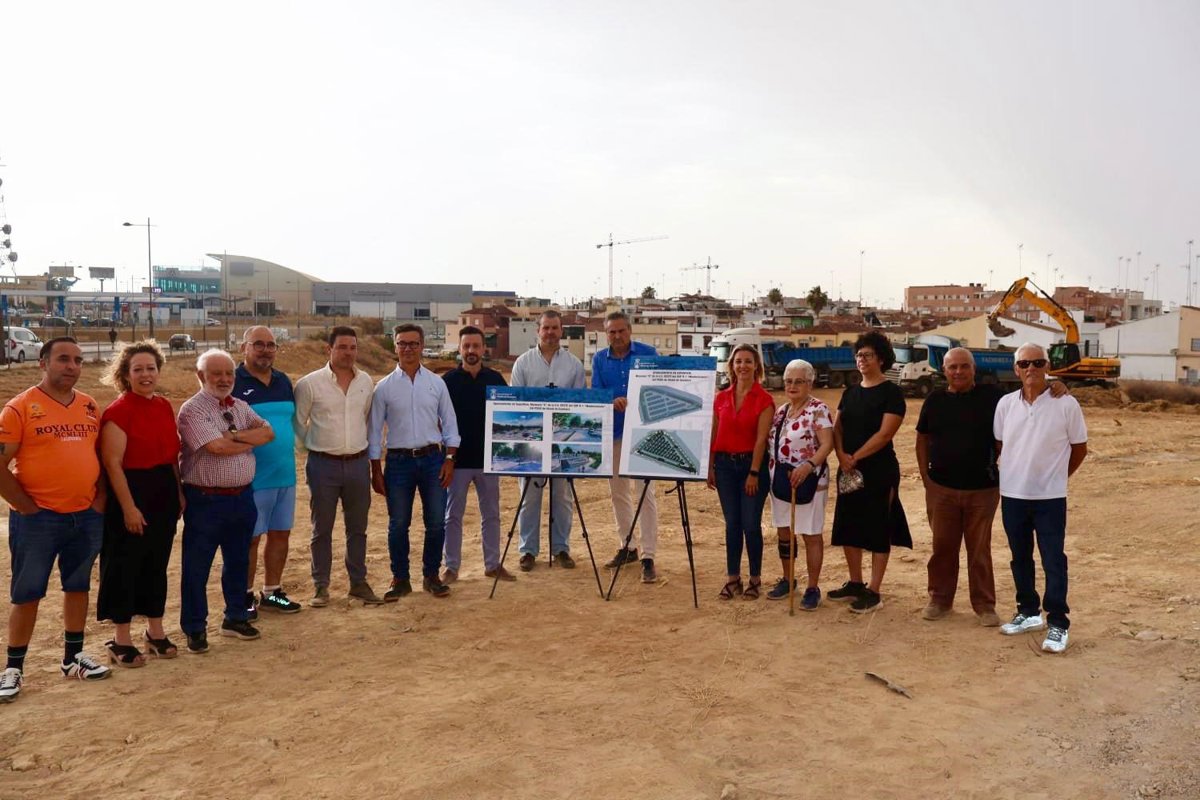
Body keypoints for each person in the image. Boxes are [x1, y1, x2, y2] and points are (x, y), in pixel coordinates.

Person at [915, 348, 1069, 627]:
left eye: (964, 366)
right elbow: (921, 439)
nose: (958, 372)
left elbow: (1028, 390)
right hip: (941, 489)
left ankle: (985, 605)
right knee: (942, 548)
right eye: (952, 367)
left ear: (974, 369)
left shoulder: (994, 398)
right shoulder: (934, 400)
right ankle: (939, 600)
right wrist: (926, 479)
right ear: (944, 371)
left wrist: (1054, 384)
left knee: (979, 550)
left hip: (983, 490)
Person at [0, 337, 110, 703]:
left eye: (78, 360)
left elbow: (100, 456)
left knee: (77, 586)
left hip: (85, 515)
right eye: (63, 359)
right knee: (27, 592)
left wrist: (99, 500)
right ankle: (13, 668)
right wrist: (26, 507)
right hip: (38, 520)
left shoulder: (89, 406)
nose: (72, 366)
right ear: (43, 363)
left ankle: (72, 657)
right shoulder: (19, 408)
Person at [177, 349, 275, 653]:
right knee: (197, 567)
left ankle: (235, 617)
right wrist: (244, 439)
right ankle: (195, 627)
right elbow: (216, 448)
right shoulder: (192, 410)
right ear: (201, 376)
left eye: (229, 373)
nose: (224, 379)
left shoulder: (240, 406)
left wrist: (233, 436)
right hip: (205, 500)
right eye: (216, 373)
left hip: (242, 497)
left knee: (238, 561)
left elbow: (268, 433)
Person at [993, 343, 1087, 654]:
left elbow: (1079, 448)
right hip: (1013, 495)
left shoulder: (1066, 404)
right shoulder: (1006, 404)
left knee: (1053, 559)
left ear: (1047, 366)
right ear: (1016, 369)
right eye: (1024, 364)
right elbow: (1001, 445)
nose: (1030, 368)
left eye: (1037, 362)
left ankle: (1058, 622)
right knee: (1020, 557)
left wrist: (1057, 476)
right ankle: (1029, 612)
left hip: (1049, 498)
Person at [97, 341, 184, 667]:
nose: (146, 374)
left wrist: (178, 492)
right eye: (138, 369)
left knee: (156, 563)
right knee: (125, 566)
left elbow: (171, 456)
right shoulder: (118, 412)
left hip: (163, 491)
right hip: (131, 492)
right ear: (125, 374)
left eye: (151, 368)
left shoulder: (163, 406)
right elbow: (112, 463)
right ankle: (121, 640)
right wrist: (129, 508)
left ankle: (155, 632)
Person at [293, 326, 383, 606]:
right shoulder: (309, 384)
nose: (348, 353)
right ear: (329, 349)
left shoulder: (365, 382)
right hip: (323, 467)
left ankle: (358, 583)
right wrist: (313, 448)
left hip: (357, 465)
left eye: (353, 347)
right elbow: (298, 423)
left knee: (357, 528)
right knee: (322, 529)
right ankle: (321, 586)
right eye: (342, 347)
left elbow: (366, 418)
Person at [369, 324, 460, 599]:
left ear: (422, 346)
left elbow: (450, 423)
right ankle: (400, 579)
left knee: (436, 522)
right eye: (402, 343)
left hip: (433, 460)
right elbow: (374, 431)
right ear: (395, 346)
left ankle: (431, 576)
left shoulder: (436, 383)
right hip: (398, 463)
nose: (408, 348)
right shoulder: (383, 388)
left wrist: (450, 459)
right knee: (398, 524)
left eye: (413, 343)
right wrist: (375, 469)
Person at [829, 331, 912, 613]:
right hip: (848, 468)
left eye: (867, 355)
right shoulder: (850, 392)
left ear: (881, 359)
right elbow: (837, 428)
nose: (861, 359)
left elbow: (885, 434)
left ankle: (874, 591)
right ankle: (855, 582)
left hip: (879, 470)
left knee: (878, 527)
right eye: (859, 355)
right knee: (848, 525)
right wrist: (841, 455)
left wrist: (854, 457)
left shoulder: (892, 393)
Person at [510, 310, 585, 571]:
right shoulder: (522, 363)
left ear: (561, 331)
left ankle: (561, 548)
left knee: (562, 497)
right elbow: (516, 402)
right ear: (538, 330)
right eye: (546, 328)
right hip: (532, 441)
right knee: (529, 498)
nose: (550, 332)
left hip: (562, 441)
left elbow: (579, 405)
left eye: (555, 328)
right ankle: (527, 551)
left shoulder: (574, 365)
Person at [234, 326, 301, 618]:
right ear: (244, 348)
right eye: (258, 344)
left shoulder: (283, 381)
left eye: (271, 345)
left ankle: (272, 592)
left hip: (285, 475)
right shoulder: (232, 381)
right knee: (250, 539)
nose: (265, 350)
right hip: (251, 478)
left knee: (280, 534)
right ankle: (244, 596)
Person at [440, 326, 513, 583]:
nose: (471, 350)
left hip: (489, 461)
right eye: (466, 346)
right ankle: (451, 567)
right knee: (452, 516)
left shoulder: (495, 379)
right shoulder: (447, 382)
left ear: (484, 349)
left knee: (491, 514)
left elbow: (509, 414)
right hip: (456, 462)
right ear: (460, 349)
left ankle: (492, 565)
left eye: (476, 346)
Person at [591, 311, 660, 583]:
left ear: (630, 330)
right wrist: (612, 401)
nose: (617, 336)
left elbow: (658, 388)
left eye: (621, 331)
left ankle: (648, 555)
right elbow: (597, 394)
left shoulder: (648, 354)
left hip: (644, 434)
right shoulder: (599, 359)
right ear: (606, 334)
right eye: (612, 332)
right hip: (615, 434)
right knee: (618, 494)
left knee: (645, 494)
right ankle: (628, 546)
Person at [765, 359, 834, 610]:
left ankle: (813, 587)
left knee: (810, 534)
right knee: (784, 531)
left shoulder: (818, 409)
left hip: (809, 481)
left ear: (810, 383)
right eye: (789, 381)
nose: (792, 386)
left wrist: (808, 465)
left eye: (799, 381)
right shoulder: (781, 411)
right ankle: (788, 578)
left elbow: (827, 444)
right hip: (781, 480)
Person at [707, 343, 773, 600]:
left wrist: (754, 472)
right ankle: (732, 578)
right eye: (738, 361)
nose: (743, 366)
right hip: (724, 467)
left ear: (756, 366)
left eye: (748, 361)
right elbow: (714, 433)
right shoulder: (721, 398)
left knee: (751, 524)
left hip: (751, 467)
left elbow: (761, 440)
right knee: (732, 524)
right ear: (731, 366)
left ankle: (755, 579)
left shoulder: (764, 400)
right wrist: (710, 466)